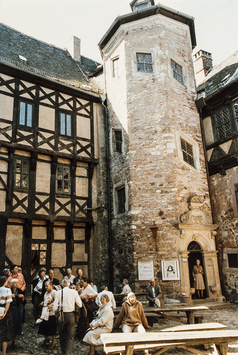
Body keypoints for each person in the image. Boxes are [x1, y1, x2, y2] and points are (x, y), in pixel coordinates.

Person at [53, 278, 82, 355]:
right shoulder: (74, 292)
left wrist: (60, 307)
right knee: (70, 335)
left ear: (62, 285)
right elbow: (80, 304)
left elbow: (55, 307)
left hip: (61, 315)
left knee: (62, 334)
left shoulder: (59, 292)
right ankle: (68, 352)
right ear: (69, 284)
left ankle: (63, 351)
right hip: (71, 315)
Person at [38, 281, 57, 349]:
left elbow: (56, 301)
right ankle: (46, 338)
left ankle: (53, 342)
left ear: (51, 285)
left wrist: (51, 305)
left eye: (47, 286)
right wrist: (42, 303)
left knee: (52, 327)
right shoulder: (46, 293)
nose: (46, 288)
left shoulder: (54, 292)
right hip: (45, 312)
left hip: (51, 312)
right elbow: (45, 300)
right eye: (45, 286)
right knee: (44, 325)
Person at [0, 275, 14, 355]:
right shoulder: (8, 290)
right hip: (4, 312)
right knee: (5, 332)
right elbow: (8, 303)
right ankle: (4, 353)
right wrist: (5, 313)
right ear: (5, 282)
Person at [10, 279, 24, 345]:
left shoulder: (19, 290)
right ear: (12, 284)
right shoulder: (9, 291)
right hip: (12, 306)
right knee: (13, 318)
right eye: (15, 283)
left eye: (17, 283)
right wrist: (10, 296)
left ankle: (18, 331)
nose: (16, 284)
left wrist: (22, 296)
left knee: (19, 317)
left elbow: (24, 301)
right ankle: (13, 333)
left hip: (19, 305)